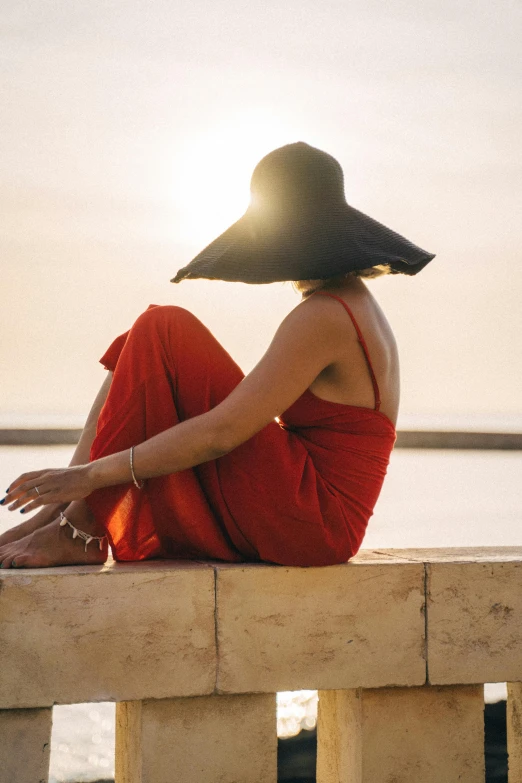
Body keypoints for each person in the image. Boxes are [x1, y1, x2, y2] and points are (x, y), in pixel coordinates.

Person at [0, 142, 435, 569]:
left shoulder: (327, 315)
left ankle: (80, 529)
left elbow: (222, 434)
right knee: (145, 336)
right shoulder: (350, 305)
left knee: (163, 328)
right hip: (311, 515)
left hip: (316, 523)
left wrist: (90, 476)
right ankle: (61, 517)